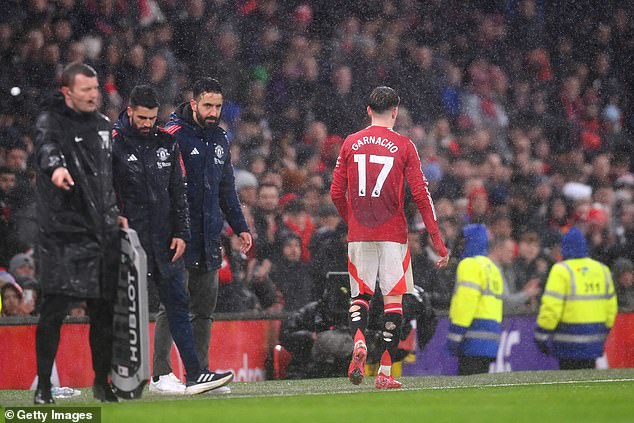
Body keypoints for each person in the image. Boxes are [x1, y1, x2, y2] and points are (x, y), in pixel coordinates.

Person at [112, 85, 234, 395]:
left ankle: (193, 375)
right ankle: (130, 374)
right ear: (129, 112)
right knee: (125, 307)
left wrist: (181, 232)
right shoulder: (114, 143)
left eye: (152, 118)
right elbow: (102, 187)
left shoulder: (167, 142)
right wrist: (111, 217)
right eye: (142, 117)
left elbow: (177, 192)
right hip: (125, 238)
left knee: (177, 302)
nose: (148, 124)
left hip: (163, 237)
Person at [330, 86, 449, 389]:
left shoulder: (350, 143)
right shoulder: (404, 146)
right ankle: (384, 372)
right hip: (393, 234)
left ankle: (359, 340)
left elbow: (335, 192)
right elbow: (422, 195)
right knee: (393, 301)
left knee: (360, 297)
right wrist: (437, 240)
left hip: (360, 233)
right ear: (395, 111)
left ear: (368, 110)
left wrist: (352, 221)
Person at [152, 77, 252, 393]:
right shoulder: (172, 136)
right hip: (177, 238)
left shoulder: (220, 138)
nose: (213, 111)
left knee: (204, 310)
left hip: (209, 238)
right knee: (173, 304)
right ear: (193, 103)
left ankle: (200, 375)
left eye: (218, 106)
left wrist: (241, 227)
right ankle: (160, 374)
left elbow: (227, 189)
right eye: (207, 105)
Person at [33, 63, 121, 404]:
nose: (93, 95)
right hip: (63, 234)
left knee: (103, 314)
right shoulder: (50, 121)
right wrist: (55, 169)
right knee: (54, 311)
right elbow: (46, 149)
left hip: (101, 234)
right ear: (68, 92)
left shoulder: (103, 126)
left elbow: (107, 177)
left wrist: (117, 213)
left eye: (95, 88)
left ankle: (103, 382)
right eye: (85, 90)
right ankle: (43, 386)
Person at [534, 227, 617, 370]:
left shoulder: (561, 270)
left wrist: (541, 335)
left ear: (565, 247)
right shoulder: (602, 270)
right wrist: (603, 331)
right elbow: (611, 308)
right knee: (587, 385)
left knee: (569, 386)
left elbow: (552, 308)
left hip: (568, 344)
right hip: (594, 342)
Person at [446, 224, 504, 375]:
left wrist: (455, 335)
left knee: (466, 391)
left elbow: (466, 304)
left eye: (462, 242)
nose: (460, 247)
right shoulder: (492, 267)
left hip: (472, 338)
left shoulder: (469, 265)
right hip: (490, 340)